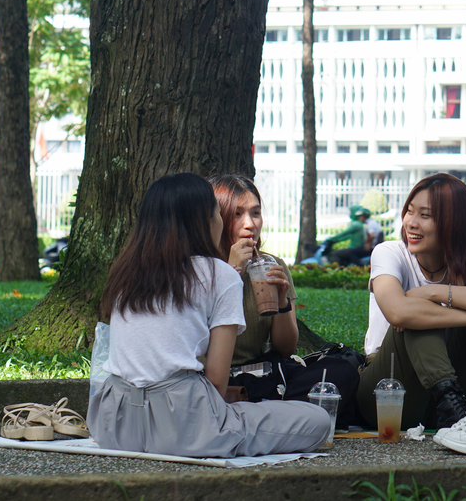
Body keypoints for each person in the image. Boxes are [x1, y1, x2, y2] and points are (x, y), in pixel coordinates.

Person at [88, 173, 331, 457]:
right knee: (318, 420)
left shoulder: (125, 273)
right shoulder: (219, 274)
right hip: (181, 425)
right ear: (204, 222)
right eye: (221, 214)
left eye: (255, 213)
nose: (247, 223)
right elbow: (216, 380)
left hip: (113, 423)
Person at [356, 173, 466, 456]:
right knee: (417, 318)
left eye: (425, 215)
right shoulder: (390, 253)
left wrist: (435, 293)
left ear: (452, 223)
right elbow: (398, 311)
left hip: (457, 390)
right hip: (390, 392)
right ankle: (454, 411)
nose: (411, 222)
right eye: (410, 211)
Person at [210, 175, 361, 425]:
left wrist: (281, 302)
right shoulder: (203, 269)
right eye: (237, 214)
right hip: (214, 379)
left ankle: (267, 416)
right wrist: (231, 272)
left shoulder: (272, 265)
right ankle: (284, 417)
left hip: (262, 375)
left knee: (341, 371)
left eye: (255, 213)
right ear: (218, 218)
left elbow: (286, 348)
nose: (249, 224)